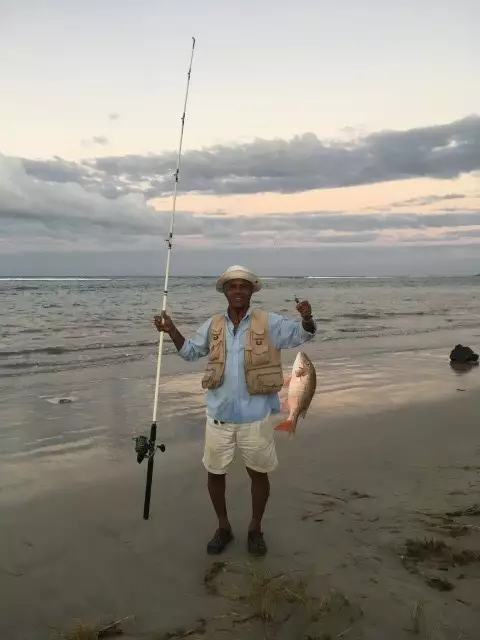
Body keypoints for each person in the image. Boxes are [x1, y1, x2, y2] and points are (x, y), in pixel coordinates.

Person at [154, 265, 316, 557]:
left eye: (244, 286)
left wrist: (306, 317)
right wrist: (171, 330)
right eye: (233, 286)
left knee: (259, 474)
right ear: (226, 292)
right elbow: (190, 352)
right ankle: (224, 527)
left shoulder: (270, 322)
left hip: (256, 416)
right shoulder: (213, 325)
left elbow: (302, 335)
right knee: (215, 474)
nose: (238, 290)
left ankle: (255, 528)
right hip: (219, 415)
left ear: (252, 291)